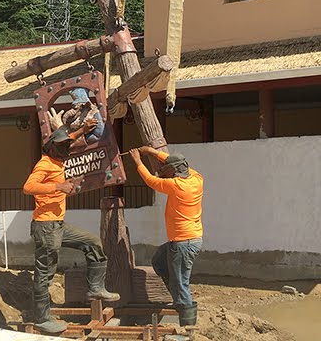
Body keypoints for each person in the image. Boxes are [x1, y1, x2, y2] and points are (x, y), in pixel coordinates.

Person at [23, 119, 120, 334]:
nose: (67, 147)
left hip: (58, 225)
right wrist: (58, 186)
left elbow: (69, 139)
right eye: (64, 145)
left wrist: (83, 130)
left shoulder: (58, 158)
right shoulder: (45, 164)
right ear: (53, 147)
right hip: (45, 226)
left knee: (92, 243)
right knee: (45, 272)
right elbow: (28, 187)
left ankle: (96, 288)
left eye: (67, 144)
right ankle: (41, 318)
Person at [129, 146, 203, 326]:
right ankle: (179, 299)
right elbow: (172, 161)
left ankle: (187, 323)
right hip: (187, 240)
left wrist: (137, 160)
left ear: (175, 170)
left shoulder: (176, 186)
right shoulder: (196, 178)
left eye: (166, 168)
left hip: (183, 242)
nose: (162, 169)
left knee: (181, 281)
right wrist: (151, 151)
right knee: (159, 262)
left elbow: (151, 181)